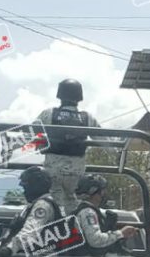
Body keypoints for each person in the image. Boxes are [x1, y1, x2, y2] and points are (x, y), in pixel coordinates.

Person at [34, 79, 100, 214]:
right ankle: (72, 226)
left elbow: (31, 132)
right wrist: (119, 152)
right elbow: (104, 138)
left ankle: (55, 225)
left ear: (59, 95)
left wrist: (40, 144)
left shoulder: (48, 114)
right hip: (76, 174)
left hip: (53, 172)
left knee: (53, 204)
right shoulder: (87, 118)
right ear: (80, 97)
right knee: (72, 201)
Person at [0, 167, 61, 257]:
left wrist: (8, 249)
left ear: (35, 186)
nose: (24, 191)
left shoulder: (42, 206)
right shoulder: (35, 204)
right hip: (32, 253)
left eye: (26, 187)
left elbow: (30, 230)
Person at [69, 174, 139, 257]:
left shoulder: (88, 210)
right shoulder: (88, 212)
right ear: (94, 192)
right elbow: (95, 240)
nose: (104, 194)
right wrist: (121, 233)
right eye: (102, 191)